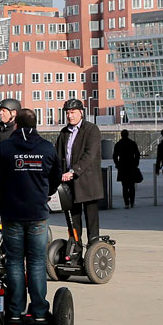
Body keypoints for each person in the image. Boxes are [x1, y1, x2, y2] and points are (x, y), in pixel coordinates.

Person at [0, 109, 62, 323]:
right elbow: (56, 177)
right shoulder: (47, 148)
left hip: (12, 213)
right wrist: (45, 192)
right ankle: (38, 311)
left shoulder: (5, 148)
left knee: (15, 261)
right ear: (36, 125)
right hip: (37, 213)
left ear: (16, 125)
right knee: (37, 261)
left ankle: (15, 309)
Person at [56, 98, 103, 244]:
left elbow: (90, 154)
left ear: (81, 113)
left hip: (87, 181)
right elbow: (58, 155)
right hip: (69, 183)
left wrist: (74, 171)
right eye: (68, 113)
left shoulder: (91, 129)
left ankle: (93, 246)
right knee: (73, 218)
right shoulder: (64, 132)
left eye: (73, 112)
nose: (70, 116)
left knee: (91, 218)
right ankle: (75, 246)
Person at [112, 129, 141, 209]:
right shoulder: (132, 143)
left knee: (124, 186)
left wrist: (117, 164)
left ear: (121, 135)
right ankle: (132, 202)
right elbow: (137, 155)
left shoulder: (118, 144)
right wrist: (136, 164)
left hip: (122, 166)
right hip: (131, 166)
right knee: (132, 186)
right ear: (128, 135)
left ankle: (126, 203)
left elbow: (114, 156)